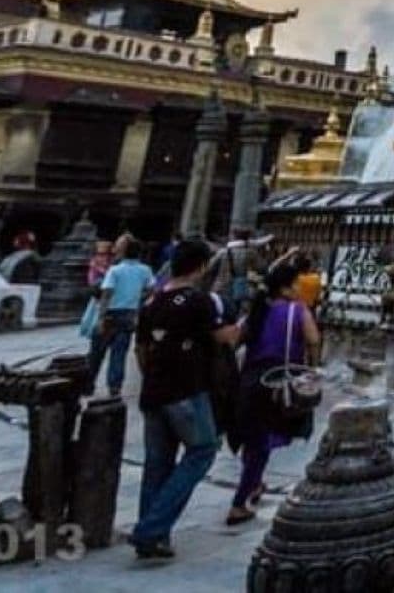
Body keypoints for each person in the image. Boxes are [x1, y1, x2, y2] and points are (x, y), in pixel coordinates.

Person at [131, 238, 241, 562]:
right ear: (202, 267)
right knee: (202, 451)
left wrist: (155, 375)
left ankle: (153, 537)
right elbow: (225, 338)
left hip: (154, 393)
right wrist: (245, 324)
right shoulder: (199, 301)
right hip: (187, 392)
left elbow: (142, 352)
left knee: (157, 465)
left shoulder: (151, 303)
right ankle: (151, 528)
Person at [225, 259, 321, 524]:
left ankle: (254, 483)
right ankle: (239, 503)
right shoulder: (297, 311)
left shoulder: (257, 311)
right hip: (278, 381)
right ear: (287, 288)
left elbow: (234, 341)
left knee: (254, 438)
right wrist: (312, 367)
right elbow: (313, 340)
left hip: (250, 379)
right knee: (261, 441)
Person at [90, 237, 156, 396]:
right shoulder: (145, 270)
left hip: (111, 313)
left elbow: (106, 294)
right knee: (119, 353)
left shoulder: (115, 270)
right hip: (130, 314)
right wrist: (139, 298)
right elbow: (152, 289)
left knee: (97, 352)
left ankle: (88, 382)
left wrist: (100, 317)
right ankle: (115, 386)